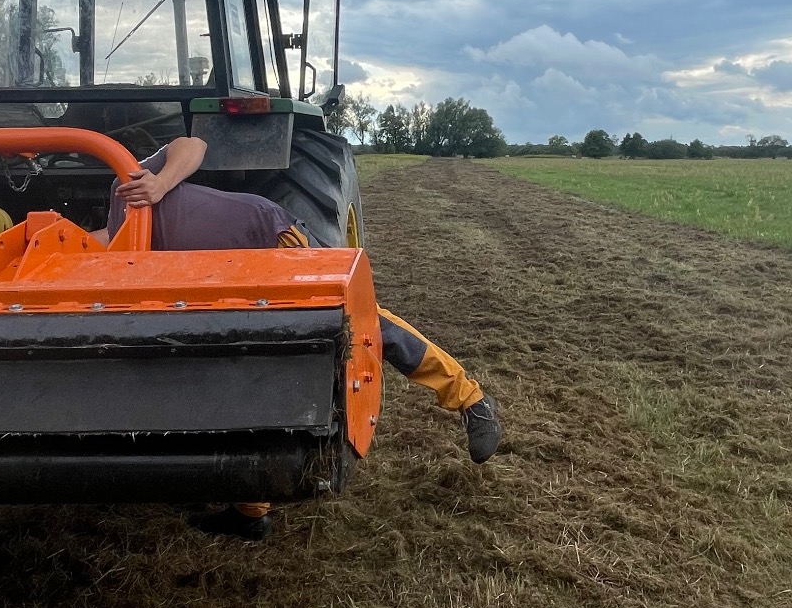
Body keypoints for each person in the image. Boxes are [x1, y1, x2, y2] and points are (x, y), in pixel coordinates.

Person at [110, 137, 503, 535]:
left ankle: (470, 399)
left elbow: (192, 143)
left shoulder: (128, 175)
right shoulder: (112, 239)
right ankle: (250, 513)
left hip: (267, 238)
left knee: (357, 323)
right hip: (222, 277)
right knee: (248, 369)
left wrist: (159, 184)